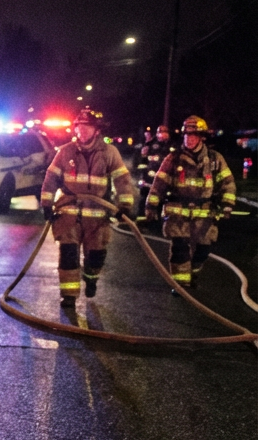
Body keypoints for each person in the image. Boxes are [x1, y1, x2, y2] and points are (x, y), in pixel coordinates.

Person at [39, 108, 136, 306]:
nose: (82, 131)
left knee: (96, 256)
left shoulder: (109, 153)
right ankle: (69, 296)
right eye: (79, 127)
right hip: (69, 213)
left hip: (97, 216)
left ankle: (91, 279)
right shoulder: (66, 152)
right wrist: (47, 204)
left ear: (96, 130)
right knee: (68, 256)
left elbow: (123, 181)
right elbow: (51, 179)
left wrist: (124, 206)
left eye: (87, 127)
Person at [144, 115, 237, 290]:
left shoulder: (215, 159)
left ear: (202, 137)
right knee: (179, 249)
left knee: (203, 249)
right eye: (187, 135)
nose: (189, 139)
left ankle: (193, 272)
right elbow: (159, 184)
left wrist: (227, 206)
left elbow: (228, 184)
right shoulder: (173, 158)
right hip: (178, 212)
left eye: (193, 135)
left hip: (205, 212)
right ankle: (180, 284)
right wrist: (151, 206)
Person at [137, 124, 174, 220]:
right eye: (160, 132)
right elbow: (143, 161)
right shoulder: (150, 144)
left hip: (164, 180)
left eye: (164, 132)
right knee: (146, 199)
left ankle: (159, 220)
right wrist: (143, 176)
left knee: (162, 200)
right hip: (149, 179)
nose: (162, 135)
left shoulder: (172, 145)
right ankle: (142, 218)